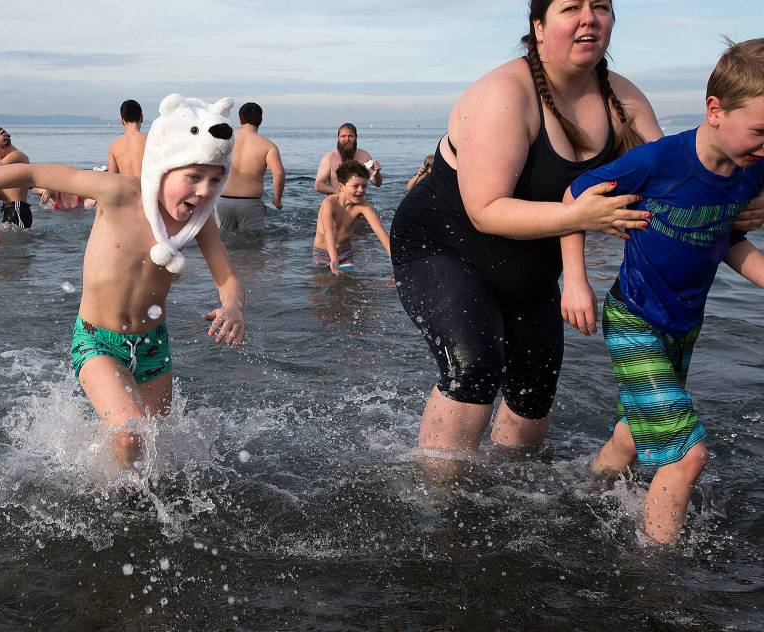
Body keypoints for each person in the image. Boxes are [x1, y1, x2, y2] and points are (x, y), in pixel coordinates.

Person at [388, 0, 669, 476]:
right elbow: (486, 210)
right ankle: (436, 503)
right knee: (475, 365)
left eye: (600, 6)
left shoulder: (622, 98)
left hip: (530, 261)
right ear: (538, 27)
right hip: (444, 243)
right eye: (570, 8)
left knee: (535, 387)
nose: (588, 18)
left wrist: (737, 203)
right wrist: (579, 214)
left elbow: (669, 178)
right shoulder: (504, 93)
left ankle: (516, 495)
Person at [0, 94, 245, 467]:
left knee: (156, 449)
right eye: (193, 177)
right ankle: (119, 511)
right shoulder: (116, 192)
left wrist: (233, 306)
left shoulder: (199, 220)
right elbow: (30, 174)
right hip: (97, 339)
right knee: (132, 435)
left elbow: (227, 277)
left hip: (152, 344)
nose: (205, 191)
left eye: (214, 179)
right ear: (165, 165)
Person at [560, 38, 764, 544]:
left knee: (633, 432)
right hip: (635, 319)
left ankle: (578, 501)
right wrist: (577, 281)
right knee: (686, 453)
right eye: (760, 131)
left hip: (683, 323)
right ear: (714, 109)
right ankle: (656, 574)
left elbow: (727, 242)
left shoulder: (750, 169)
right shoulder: (658, 162)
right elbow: (573, 197)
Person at [216, 102, 285, 231]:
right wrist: (277, 199)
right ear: (261, 120)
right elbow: (279, 173)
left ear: (240, 118)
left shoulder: (226, 141)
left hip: (223, 201)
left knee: (222, 244)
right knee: (253, 246)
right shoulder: (268, 146)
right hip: (250, 203)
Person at [312, 160, 391, 273]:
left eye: (364, 186)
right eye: (355, 186)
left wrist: (395, 261)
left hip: (345, 252)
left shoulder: (362, 206)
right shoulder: (329, 203)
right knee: (324, 284)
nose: (361, 190)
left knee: (348, 284)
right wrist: (334, 259)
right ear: (341, 186)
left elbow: (380, 232)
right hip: (323, 253)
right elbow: (329, 232)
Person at [0, 127, 32, 227]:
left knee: (20, 241)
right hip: (10, 209)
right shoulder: (8, 158)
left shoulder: (17, 156)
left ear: (2, 144)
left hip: (18, 208)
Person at [315, 123, 381, 193]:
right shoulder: (329, 157)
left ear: (356, 137)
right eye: (343, 136)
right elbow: (319, 185)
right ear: (338, 138)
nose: (347, 139)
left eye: (350, 136)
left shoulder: (365, 156)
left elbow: (377, 183)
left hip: (359, 201)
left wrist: (377, 173)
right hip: (336, 200)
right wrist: (343, 193)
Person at [107, 99, 148, 177]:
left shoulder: (114, 146)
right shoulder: (151, 141)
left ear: (122, 120)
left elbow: (112, 178)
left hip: (126, 188)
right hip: (147, 188)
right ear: (142, 117)